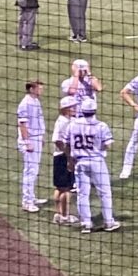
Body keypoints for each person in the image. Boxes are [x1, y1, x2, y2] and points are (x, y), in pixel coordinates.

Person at [59, 100, 119, 231]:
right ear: (95, 110)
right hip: (96, 162)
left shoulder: (72, 125)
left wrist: (70, 161)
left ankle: (86, 223)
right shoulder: (101, 125)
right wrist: (98, 146)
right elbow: (107, 145)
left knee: (82, 194)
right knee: (104, 193)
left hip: (79, 162)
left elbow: (66, 145)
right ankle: (109, 222)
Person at [16, 79, 47, 211]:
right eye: (39, 88)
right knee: (30, 171)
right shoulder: (25, 103)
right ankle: (27, 202)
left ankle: (31, 197)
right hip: (30, 141)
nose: (41, 90)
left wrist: (42, 136)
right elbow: (22, 124)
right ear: (31, 89)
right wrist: (27, 142)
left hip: (37, 138)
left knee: (34, 171)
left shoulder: (35, 101)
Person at [49, 92, 79, 224]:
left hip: (59, 157)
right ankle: (65, 216)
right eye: (73, 107)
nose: (75, 109)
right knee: (66, 188)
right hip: (63, 158)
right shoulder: (62, 122)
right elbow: (57, 140)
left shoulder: (67, 120)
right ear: (66, 108)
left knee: (59, 187)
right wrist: (68, 156)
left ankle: (58, 214)